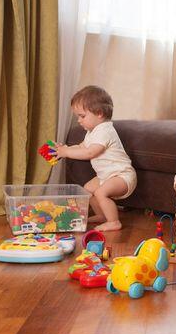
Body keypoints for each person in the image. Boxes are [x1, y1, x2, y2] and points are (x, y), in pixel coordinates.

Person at [56, 86, 136, 231]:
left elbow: (89, 153)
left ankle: (114, 221)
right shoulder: (92, 132)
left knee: (101, 192)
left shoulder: (105, 130)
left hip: (122, 176)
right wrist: (65, 149)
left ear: (99, 113)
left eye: (82, 116)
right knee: (88, 189)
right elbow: (82, 147)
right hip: (106, 176)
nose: (79, 121)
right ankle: (102, 215)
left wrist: (66, 153)